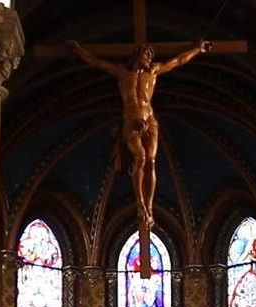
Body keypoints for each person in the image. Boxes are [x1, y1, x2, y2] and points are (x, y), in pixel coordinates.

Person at [68, 40, 211, 225]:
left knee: (151, 161)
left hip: (150, 121)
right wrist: (79, 51)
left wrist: (198, 49)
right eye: (147, 55)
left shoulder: (153, 72)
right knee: (141, 157)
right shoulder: (122, 72)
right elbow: (97, 62)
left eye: (151, 55)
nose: (150, 58)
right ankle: (140, 204)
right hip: (131, 121)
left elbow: (178, 61)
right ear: (137, 55)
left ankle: (149, 208)